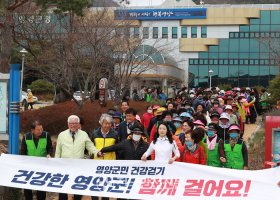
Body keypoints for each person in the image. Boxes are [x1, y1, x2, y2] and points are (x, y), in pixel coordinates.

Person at [55, 115, 101, 200]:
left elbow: (90, 146)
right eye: (71, 123)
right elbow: (58, 151)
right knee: (62, 188)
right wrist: (56, 163)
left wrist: (97, 152)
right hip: (64, 166)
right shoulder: (62, 135)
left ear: (78, 124)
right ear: (68, 124)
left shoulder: (83, 134)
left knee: (77, 188)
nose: (73, 125)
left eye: (75, 123)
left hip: (79, 166)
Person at [21, 120, 53, 200]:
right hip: (29, 165)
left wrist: (49, 154)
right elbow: (23, 151)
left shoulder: (46, 135)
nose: (40, 131)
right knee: (27, 186)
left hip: (42, 165)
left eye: (41, 129)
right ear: (32, 130)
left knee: (41, 186)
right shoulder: (26, 137)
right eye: (38, 129)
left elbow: (50, 147)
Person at [91, 114, 119, 200]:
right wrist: (96, 154)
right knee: (95, 185)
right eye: (105, 123)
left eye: (109, 123)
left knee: (105, 186)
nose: (107, 125)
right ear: (101, 123)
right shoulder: (95, 133)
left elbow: (118, 148)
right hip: (96, 163)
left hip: (109, 164)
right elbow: (90, 147)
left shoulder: (115, 134)